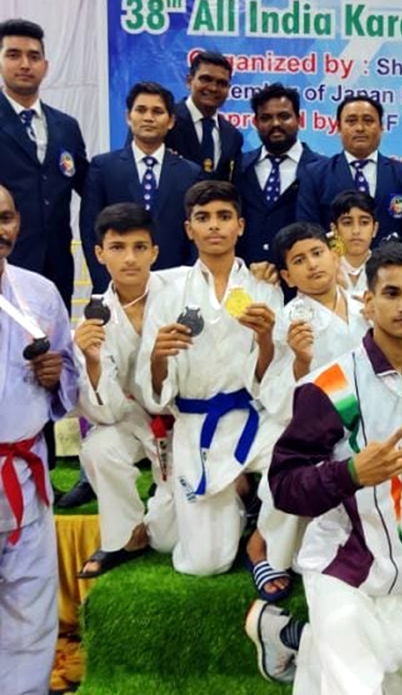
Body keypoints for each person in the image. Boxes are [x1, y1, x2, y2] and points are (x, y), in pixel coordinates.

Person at [260, 243, 402, 694]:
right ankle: (310, 638)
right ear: (368, 302)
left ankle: (298, 640)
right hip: (341, 571)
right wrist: (349, 473)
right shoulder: (329, 386)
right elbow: (283, 486)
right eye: (391, 293)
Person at [137, 180, 284, 576]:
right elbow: (154, 388)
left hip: (251, 418)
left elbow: (273, 378)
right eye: (203, 218)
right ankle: (224, 498)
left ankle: (261, 535)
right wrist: (157, 357)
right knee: (205, 563)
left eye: (224, 216)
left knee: (299, 458)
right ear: (189, 229)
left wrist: (265, 340)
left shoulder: (262, 288)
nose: (214, 225)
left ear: (240, 225)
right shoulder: (167, 291)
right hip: (196, 423)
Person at [245, 221, 371, 600]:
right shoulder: (289, 318)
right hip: (309, 420)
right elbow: (274, 394)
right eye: (299, 260)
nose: (313, 264)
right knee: (291, 463)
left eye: (317, 253)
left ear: (334, 255)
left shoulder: (365, 304)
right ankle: (264, 547)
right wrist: (301, 362)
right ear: (286, 276)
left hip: (365, 415)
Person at [74, 203, 185, 578]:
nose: (130, 258)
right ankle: (125, 536)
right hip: (135, 419)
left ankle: (180, 504)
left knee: (168, 539)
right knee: (99, 448)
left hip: (185, 419)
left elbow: (229, 277)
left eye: (140, 247)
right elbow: (106, 412)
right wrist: (91, 361)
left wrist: (258, 272)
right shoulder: (95, 316)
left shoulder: (183, 285)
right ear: (99, 253)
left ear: (155, 251)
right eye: (118, 247)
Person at [0, 184, 79, 695]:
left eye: (5, 218)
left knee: (30, 608)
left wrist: (56, 376)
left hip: (25, 473)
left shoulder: (40, 293)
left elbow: (69, 374)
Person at [80, 81, 203, 291]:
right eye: (141, 110)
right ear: (128, 117)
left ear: (171, 121)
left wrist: (186, 285)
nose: (148, 117)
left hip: (175, 289)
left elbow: (195, 235)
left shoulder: (190, 173)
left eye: (157, 111)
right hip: (116, 287)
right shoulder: (103, 167)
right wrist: (107, 285)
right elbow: (90, 230)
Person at [0, 18, 87, 308]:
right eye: (14, 55)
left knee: (54, 337)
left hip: (57, 266)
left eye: (34, 56)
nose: (25, 64)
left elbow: (89, 183)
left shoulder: (67, 126)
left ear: (45, 66)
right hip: (6, 261)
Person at [297, 95, 402, 243]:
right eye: (351, 121)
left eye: (368, 121)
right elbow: (309, 232)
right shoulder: (315, 175)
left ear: (381, 127)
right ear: (338, 128)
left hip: (391, 257)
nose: (360, 128)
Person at [236, 83, 326, 266]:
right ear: (255, 123)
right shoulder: (239, 166)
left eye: (284, 116)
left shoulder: (323, 169)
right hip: (247, 275)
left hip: (303, 275)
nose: (276, 124)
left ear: (299, 119)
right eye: (266, 118)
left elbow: (334, 228)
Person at [164, 50, 242, 181]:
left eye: (222, 83)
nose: (213, 88)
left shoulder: (232, 136)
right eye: (206, 79)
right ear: (189, 81)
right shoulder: (164, 121)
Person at [328, 190, 379, 299]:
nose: (356, 231)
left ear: (375, 229)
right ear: (334, 230)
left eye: (364, 223)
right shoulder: (324, 269)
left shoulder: (387, 269)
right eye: (347, 223)